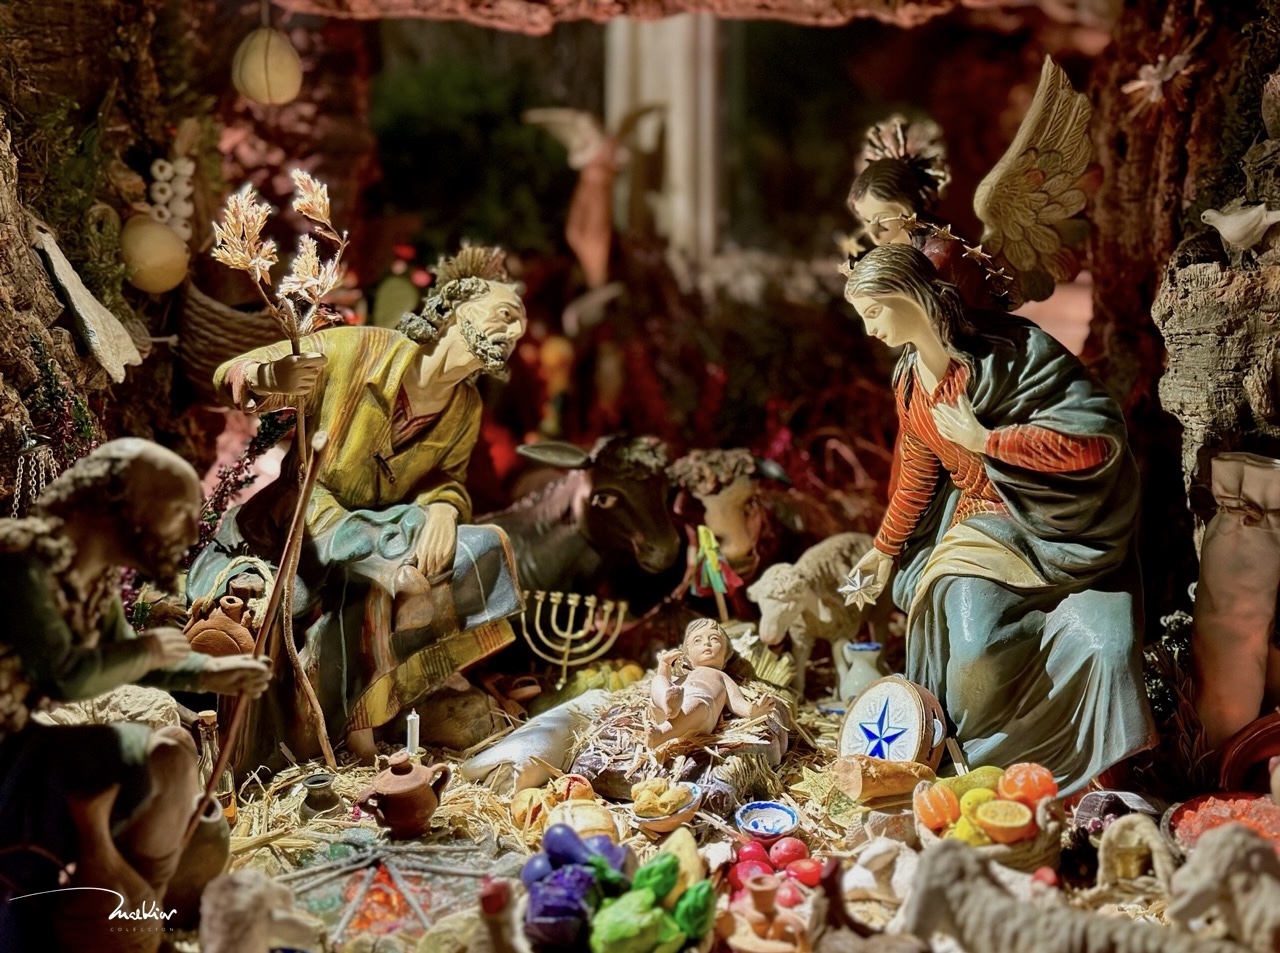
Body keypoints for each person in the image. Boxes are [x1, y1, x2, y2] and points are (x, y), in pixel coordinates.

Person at [190, 246, 527, 763]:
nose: (514, 332)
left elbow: (448, 478)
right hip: (305, 518)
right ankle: (360, 708)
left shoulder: (465, 405)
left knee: (484, 544)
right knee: (377, 572)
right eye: (505, 314)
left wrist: (443, 508)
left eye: (520, 328)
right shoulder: (359, 350)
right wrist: (269, 379)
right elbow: (235, 371)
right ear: (457, 305)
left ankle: (399, 686)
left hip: (386, 528)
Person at [843, 243, 1155, 795]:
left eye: (873, 312)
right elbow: (919, 470)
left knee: (1105, 644)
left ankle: (1070, 775)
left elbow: (1094, 441)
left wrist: (987, 440)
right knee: (974, 648)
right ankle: (974, 769)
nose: (868, 329)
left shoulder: (1016, 355)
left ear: (907, 297)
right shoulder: (911, 381)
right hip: (981, 525)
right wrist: (885, 550)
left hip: (1063, 528)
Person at [0, 439, 271, 946]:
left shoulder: (96, 578)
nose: (188, 533)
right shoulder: (20, 561)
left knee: (173, 756)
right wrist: (146, 652)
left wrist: (210, 674)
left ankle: (139, 918)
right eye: (177, 513)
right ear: (118, 502)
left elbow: (128, 659)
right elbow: (62, 675)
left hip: (29, 743)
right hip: (9, 755)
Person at [846, 116, 1001, 310]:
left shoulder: (941, 255)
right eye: (865, 220)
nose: (871, 230)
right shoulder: (890, 251)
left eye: (880, 218)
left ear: (904, 210)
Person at [647, 618, 774, 747]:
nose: (707, 643)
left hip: (700, 711)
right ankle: (668, 706)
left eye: (714, 639)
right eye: (697, 640)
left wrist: (753, 711)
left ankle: (660, 734)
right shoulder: (686, 676)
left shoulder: (722, 677)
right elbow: (665, 682)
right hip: (671, 704)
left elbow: (736, 701)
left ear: (725, 657)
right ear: (688, 655)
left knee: (696, 705)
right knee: (658, 680)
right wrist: (664, 666)